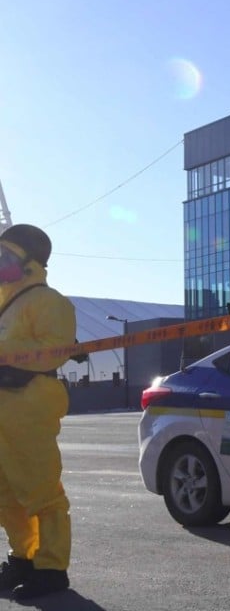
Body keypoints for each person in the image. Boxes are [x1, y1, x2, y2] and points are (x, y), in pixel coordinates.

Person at [0, 224, 76, 599]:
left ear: (31, 263)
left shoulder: (49, 301)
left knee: (42, 492)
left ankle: (50, 569)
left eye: (7, 256)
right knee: (7, 494)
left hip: (30, 408)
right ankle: (23, 558)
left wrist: (7, 351)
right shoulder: (4, 301)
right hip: (3, 411)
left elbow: (56, 349)